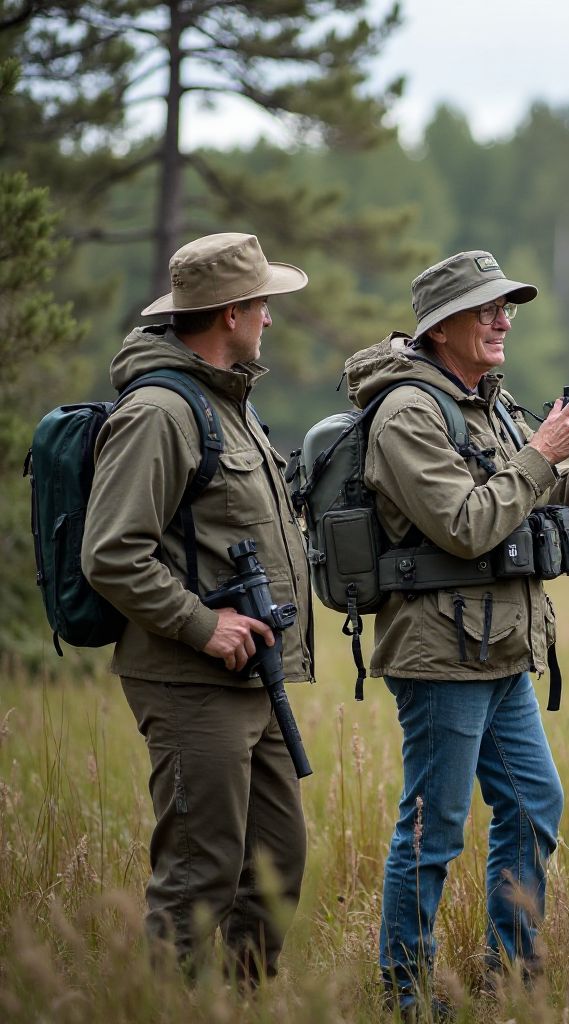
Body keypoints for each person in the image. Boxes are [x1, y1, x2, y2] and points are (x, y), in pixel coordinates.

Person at [343, 249, 569, 1015]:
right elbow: (467, 524)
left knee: (534, 803)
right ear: (441, 326)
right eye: (486, 309)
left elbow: (532, 518)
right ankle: (405, 995)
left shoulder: (491, 403)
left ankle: (511, 976)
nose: (503, 320)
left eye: (506, 307)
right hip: (439, 651)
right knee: (433, 828)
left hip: (502, 647)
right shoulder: (408, 412)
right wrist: (542, 455)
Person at [82, 232, 314, 983]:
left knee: (275, 867)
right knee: (197, 877)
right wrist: (203, 624)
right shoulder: (159, 411)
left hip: (255, 679)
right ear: (231, 313)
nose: (270, 321)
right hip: (191, 681)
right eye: (263, 306)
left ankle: (241, 1005)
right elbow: (112, 551)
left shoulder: (231, 405)